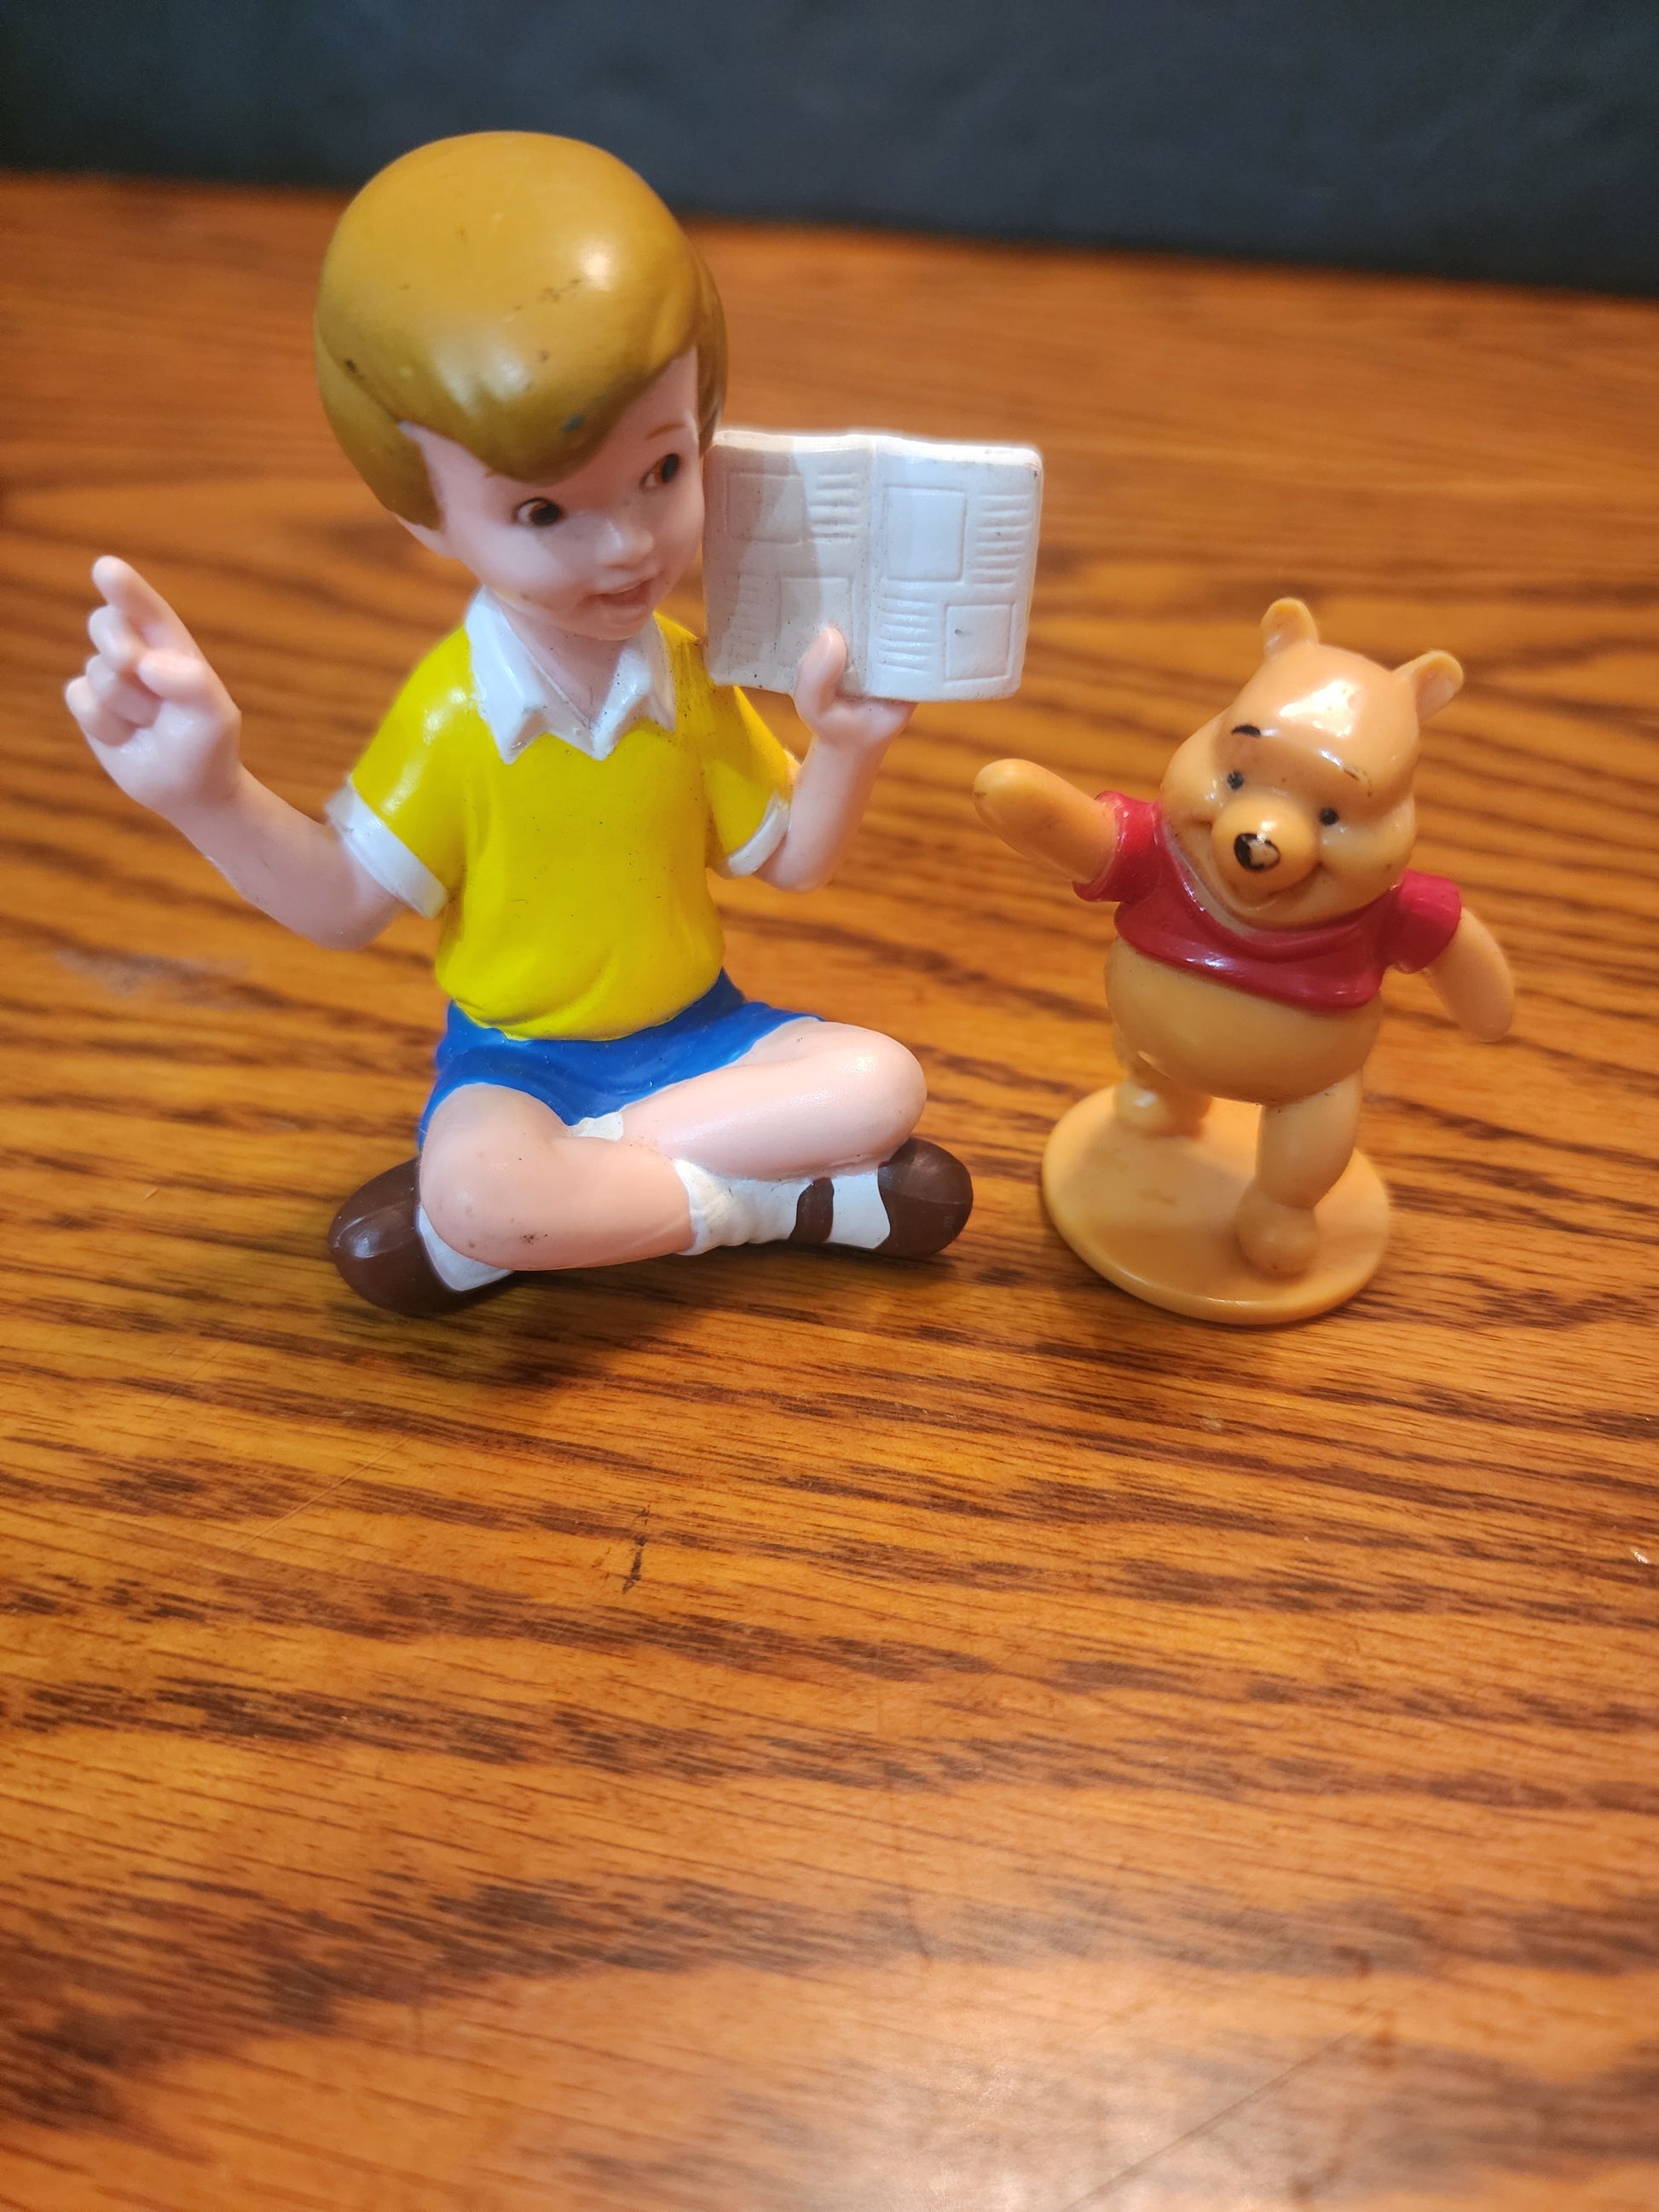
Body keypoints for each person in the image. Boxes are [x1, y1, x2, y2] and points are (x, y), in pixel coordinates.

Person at [66, 132, 971, 1316]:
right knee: (488, 1185)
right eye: (545, 512)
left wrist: (848, 744)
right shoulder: (454, 716)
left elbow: (793, 861)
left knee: (877, 1081)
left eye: (663, 471)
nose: (628, 547)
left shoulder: (687, 677)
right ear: (423, 515)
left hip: (704, 1037)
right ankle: (773, 1205)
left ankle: (545, 1216)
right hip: (520, 1063)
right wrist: (208, 793)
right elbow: (344, 906)